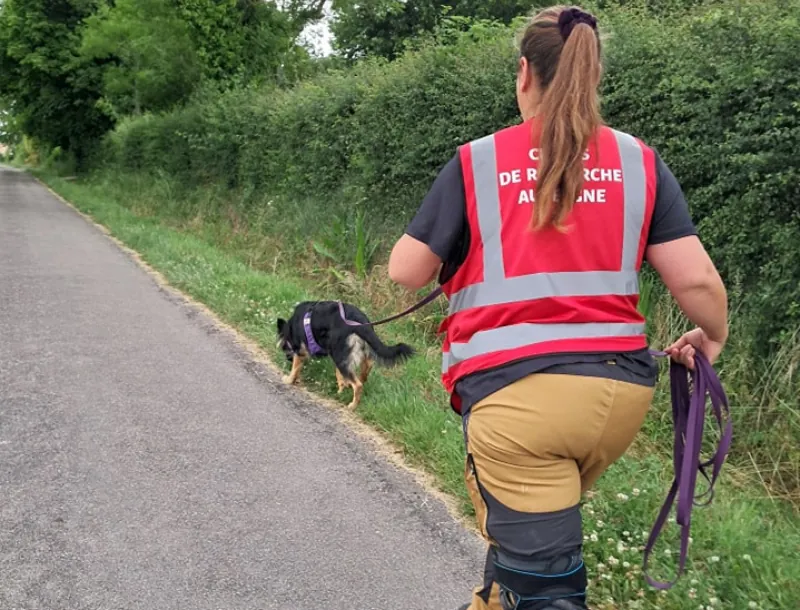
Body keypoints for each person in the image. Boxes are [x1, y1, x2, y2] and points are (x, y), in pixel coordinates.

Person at [387, 5, 728, 610]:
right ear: (592, 75)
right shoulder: (637, 161)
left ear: (524, 74)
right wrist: (712, 335)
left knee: (547, 585)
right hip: (618, 399)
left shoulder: (480, 160)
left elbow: (405, 272)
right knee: (522, 544)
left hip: (520, 405)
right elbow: (698, 281)